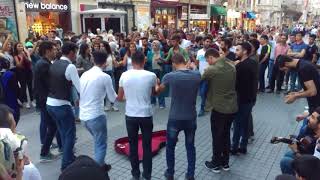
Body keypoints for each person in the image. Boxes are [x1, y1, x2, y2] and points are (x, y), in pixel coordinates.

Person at [156, 53, 201, 180]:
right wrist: (193, 66)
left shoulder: (170, 76)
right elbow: (196, 71)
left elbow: (158, 91)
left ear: (173, 64)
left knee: (170, 146)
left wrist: (156, 84)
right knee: (190, 146)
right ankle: (190, 174)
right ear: (184, 61)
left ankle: (170, 173)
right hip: (191, 117)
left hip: (175, 118)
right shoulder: (196, 75)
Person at [117, 51, 157, 180]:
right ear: (144, 61)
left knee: (133, 145)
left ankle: (135, 174)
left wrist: (130, 98)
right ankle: (147, 174)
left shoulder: (124, 75)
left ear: (131, 61)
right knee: (147, 145)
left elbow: (120, 97)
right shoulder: (151, 75)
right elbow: (153, 94)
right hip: (146, 114)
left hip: (131, 114)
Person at [79, 50, 117, 173]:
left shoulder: (85, 74)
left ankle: (100, 164)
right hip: (96, 116)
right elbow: (113, 98)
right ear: (105, 62)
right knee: (101, 145)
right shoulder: (105, 77)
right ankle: (96, 172)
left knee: (97, 141)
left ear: (93, 61)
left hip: (84, 116)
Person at [203, 48, 238, 173]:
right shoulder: (231, 65)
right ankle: (225, 163)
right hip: (232, 107)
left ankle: (215, 163)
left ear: (211, 58)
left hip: (219, 108)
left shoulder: (212, 69)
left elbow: (200, 79)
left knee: (217, 136)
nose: (208, 63)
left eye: (208, 61)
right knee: (226, 135)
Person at [46, 42, 80, 170]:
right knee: (70, 134)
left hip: (50, 103)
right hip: (62, 105)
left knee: (63, 132)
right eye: (75, 52)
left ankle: (69, 157)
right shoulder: (70, 67)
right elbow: (80, 87)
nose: (76, 55)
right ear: (71, 52)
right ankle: (66, 164)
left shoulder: (54, 63)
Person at [33, 41, 60, 162]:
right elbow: (48, 84)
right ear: (47, 51)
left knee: (53, 125)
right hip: (45, 100)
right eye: (54, 49)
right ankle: (44, 153)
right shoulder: (44, 64)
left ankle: (57, 146)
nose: (56, 51)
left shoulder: (43, 62)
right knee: (53, 126)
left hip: (44, 99)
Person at [231, 42, 258, 155]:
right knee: (245, 123)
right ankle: (243, 146)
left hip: (241, 99)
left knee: (237, 124)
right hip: (251, 98)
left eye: (237, 50)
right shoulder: (253, 63)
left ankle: (234, 147)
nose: (235, 52)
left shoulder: (241, 66)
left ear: (245, 51)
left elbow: (235, 84)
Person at [280, 107, 320, 175]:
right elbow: (301, 140)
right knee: (288, 154)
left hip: (312, 167)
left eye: (312, 117)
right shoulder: (309, 128)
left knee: (284, 162)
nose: (308, 118)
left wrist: (296, 151)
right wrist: (285, 140)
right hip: (306, 154)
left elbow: (311, 165)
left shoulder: (318, 144)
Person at [13, 42, 34, 108]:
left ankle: (32, 100)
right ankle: (26, 102)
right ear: (16, 48)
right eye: (19, 46)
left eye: (21, 46)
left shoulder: (26, 53)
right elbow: (18, 65)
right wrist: (22, 58)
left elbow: (29, 61)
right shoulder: (15, 55)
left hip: (28, 71)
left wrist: (25, 55)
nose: (20, 47)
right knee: (23, 87)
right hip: (21, 73)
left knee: (30, 86)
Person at [100, 41, 119, 112]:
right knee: (103, 90)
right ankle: (104, 105)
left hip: (110, 72)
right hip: (103, 72)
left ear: (106, 47)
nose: (101, 47)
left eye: (103, 46)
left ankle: (113, 104)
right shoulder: (100, 55)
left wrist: (116, 63)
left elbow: (115, 63)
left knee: (112, 89)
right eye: (100, 46)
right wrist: (103, 65)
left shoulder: (111, 54)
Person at [196, 36, 212, 117]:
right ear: (203, 42)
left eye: (209, 42)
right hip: (200, 75)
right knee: (202, 93)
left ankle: (202, 109)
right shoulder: (199, 52)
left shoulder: (213, 53)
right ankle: (206, 106)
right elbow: (197, 63)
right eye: (206, 41)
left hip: (208, 76)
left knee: (202, 93)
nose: (208, 43)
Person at [147, 40, 166, 108]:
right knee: (152, 86)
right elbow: (148, 62)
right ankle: (153, 101)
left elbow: (164, 62)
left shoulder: (161, 53)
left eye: (156, 45)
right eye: (153, 45)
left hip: (159, 71)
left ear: (158, 46)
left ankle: (161, 103)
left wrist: (160, 61)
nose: (154, 47)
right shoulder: (149, 53)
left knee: (160, 87)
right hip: (152, 71)